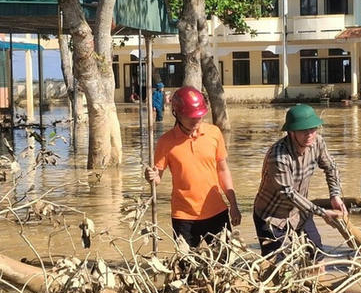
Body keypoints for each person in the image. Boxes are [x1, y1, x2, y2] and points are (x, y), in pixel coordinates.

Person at [145, 86, 241, 247]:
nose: (196, 120)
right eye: (190, 117)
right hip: (183, 217)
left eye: (200, 116)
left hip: (217, 212)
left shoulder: (214, 133)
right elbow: (157, 179)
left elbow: (223, 170)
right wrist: (151, 178)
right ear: (177, 114)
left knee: (224, 263)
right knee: (185, 268)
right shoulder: (166, 142)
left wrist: (234, 205)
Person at [252, 104, 346, 257]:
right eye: (303, 130)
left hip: (300, 211)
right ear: (291, 132)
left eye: (313, 129)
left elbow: (331, 167)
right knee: (276, 265)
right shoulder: (278, 156)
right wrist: (322, 213)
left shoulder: (318, 142)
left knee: (317, 254)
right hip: (271, 216)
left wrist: (335, 195)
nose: (309, 134)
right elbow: (288, 194)